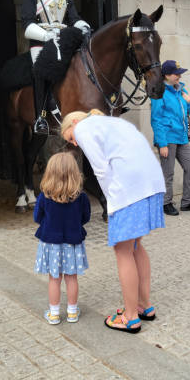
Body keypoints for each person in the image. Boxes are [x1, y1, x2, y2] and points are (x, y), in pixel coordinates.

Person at [61, 109, 165, 334]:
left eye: (70, 138)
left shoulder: (83, 128)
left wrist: (111, 202)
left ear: (75, 122)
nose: (74, 143)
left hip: (129, 189)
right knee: (135, 246)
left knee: (123, 250)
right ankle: (144, 306)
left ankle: (130, 317)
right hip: (151, 182)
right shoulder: (109, 123)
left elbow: (100, 169)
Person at [21, 0, 91, 134]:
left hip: (62, 39)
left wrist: (82, 26)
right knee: (40, 73)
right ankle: (41, 118)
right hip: (40, 40)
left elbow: (73, 18)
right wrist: (45, 35)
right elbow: (26, 23)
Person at [33, 152, 91, 325]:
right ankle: (72, 313)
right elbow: (85, 218)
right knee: (71, 277)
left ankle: (54, 314)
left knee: (54, 278)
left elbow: (37, 217)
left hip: (51, 243)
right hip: (72, 243)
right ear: (75, 172)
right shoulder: (81, 197)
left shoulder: (44, 196)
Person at [150, 60, 190, 216]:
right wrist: (162, 144)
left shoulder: (181, 89)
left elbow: (188, 110)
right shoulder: (158, 92)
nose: (179, 76)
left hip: (181, 136)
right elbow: (156, 120)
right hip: (167, 138)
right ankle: (165, 203)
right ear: (167, 75)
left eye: (180, 73)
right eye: (176, 74)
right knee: (168, 172)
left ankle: (188, 202)